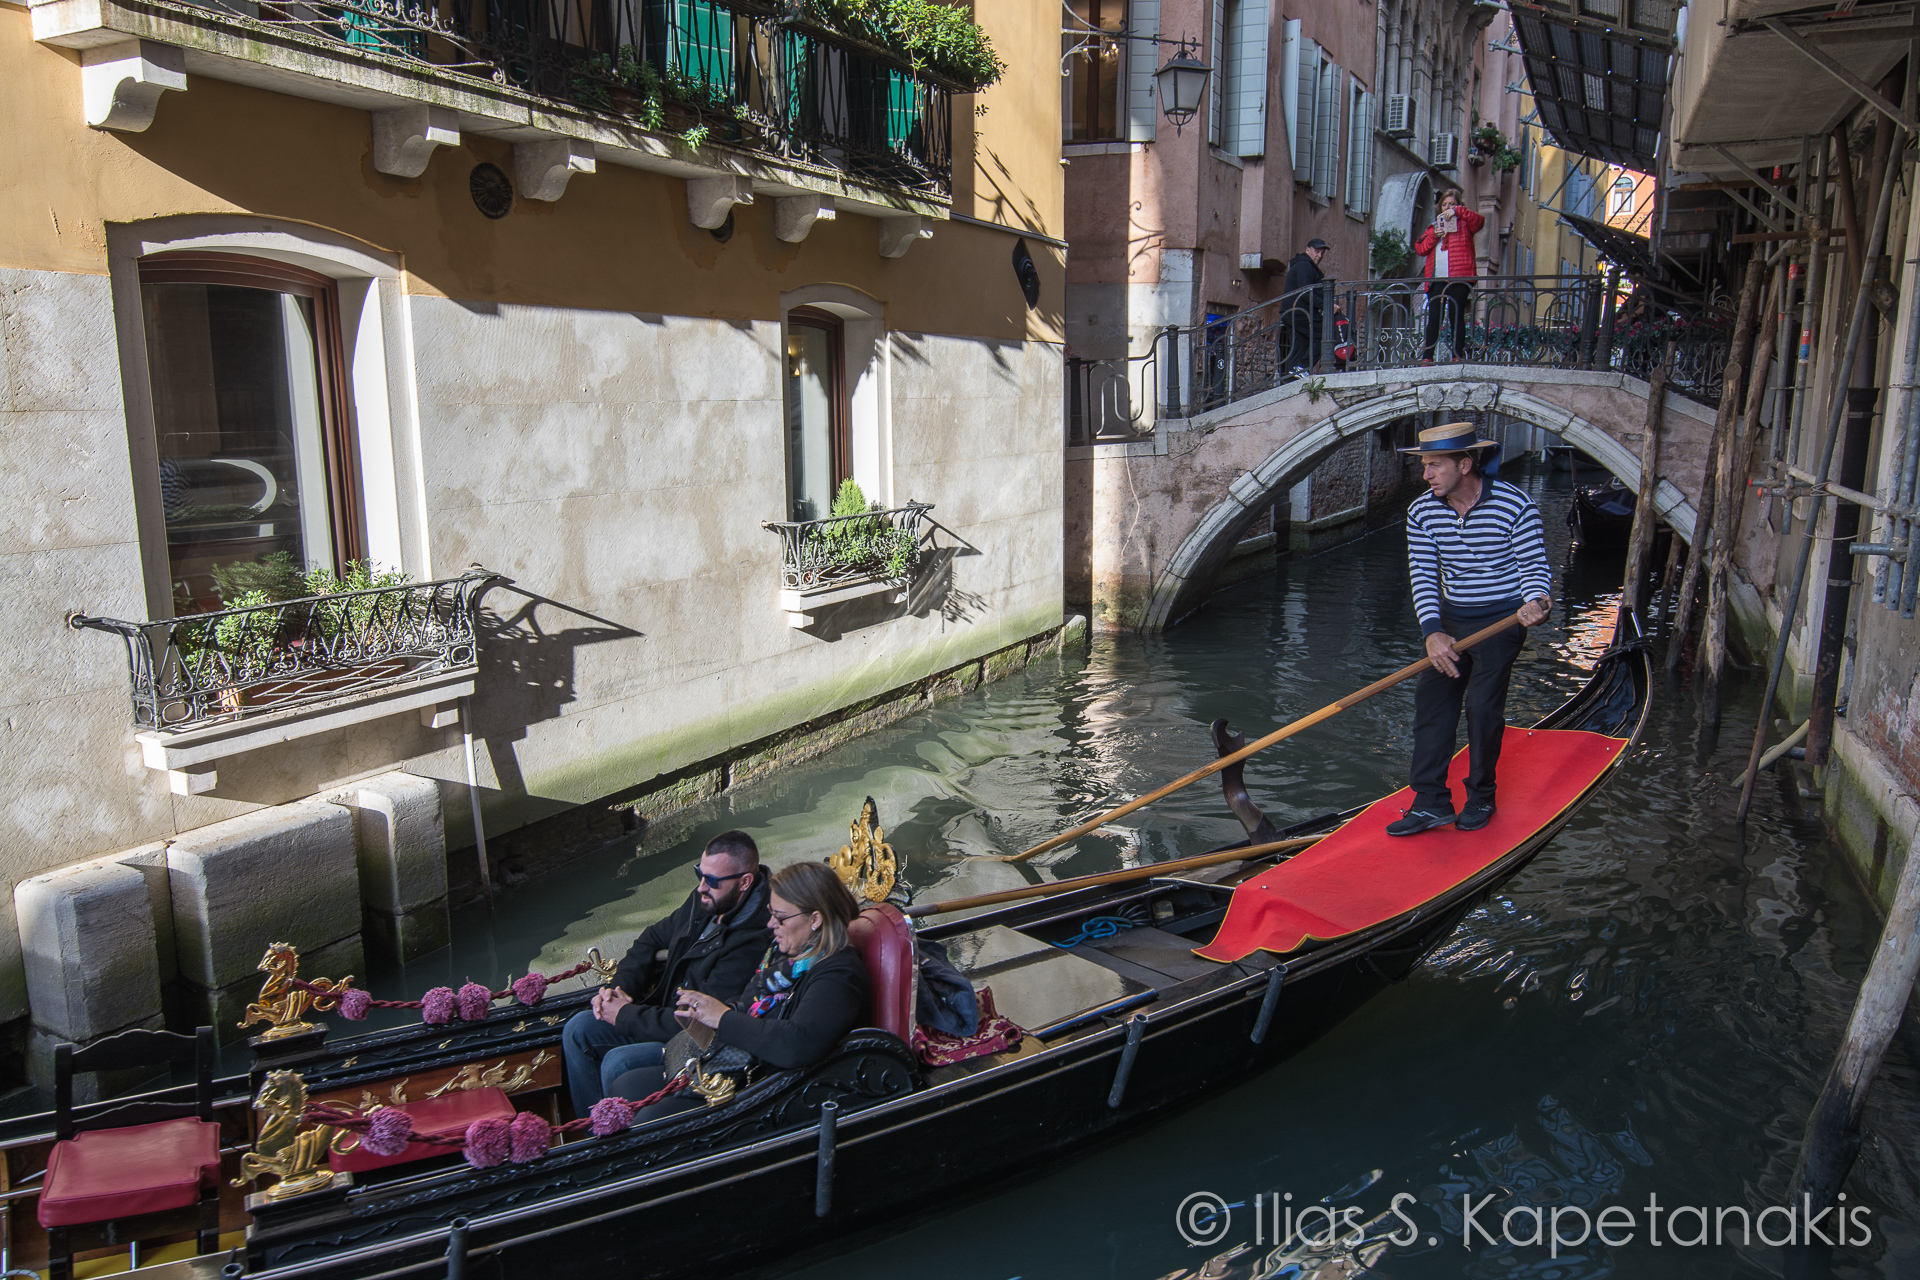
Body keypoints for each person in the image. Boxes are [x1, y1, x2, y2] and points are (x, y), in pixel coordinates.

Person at [1386, 422, 1553, 837]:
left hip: (1503, 619)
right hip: (1450, 618)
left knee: (1481, 708)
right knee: (1431, 704)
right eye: (1424, 465)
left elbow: (1533, 568)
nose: (1426, 475)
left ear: (1464, 465)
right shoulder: (1422, 511)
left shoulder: (1516, 505)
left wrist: (1536, 601)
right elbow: (1423, 575)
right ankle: (1430, 803)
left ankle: (1481, 796)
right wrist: (1432, 632)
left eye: (1435, 465)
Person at [608, 860, 871, 1120]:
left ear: (815, 919)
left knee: (643, 1110)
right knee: (626, 1083)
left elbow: (797, 1043)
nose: (770, 924)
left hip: (772, 1091)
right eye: (771, 913)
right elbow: (749, 1004)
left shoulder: (839, 974)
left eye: (780, 918)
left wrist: (722, 1017)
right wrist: (706, 1011)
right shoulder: (787, 958)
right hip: (743, 1068)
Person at [562, 831, 771, 1115]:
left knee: (617, 1062)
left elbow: (700, 1022)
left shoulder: (752, 939)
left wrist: (625, 1015)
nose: (701, 887)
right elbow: (651, 939)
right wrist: (619, 990)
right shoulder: (705, 900)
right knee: (578, 1028)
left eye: (711, 881)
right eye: (699, 874)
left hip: (691, 1040)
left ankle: (618, 1132)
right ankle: (591, 1125)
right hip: (660, 1013)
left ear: (744, 882)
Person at [1413, 191, 1484, 363]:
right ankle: (1427, 357)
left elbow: (1479, 222)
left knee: (1456, 317)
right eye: (1445, 204)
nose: (1447, 207)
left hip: (1459, 278)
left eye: (1452, 204)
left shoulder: (1465, 224)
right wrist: (1434, 236)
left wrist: (1458, 212)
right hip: (1437, 279)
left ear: (1458, 205)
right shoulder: (1433, 227)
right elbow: (1420, 248)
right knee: (1434, 318)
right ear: (1440, 208)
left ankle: (1457, 356)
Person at [1281, 238, 1330, 373]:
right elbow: (1306, 292)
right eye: (1317, 251)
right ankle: (1302, 367)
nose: (1319, 256)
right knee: (1325, 335)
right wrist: (1327, 305)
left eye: (1322, 253)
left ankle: (1292, 378)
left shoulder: (1303, 265)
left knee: (1298, 347)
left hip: (1292, 312)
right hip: (1300, 313)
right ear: (1307, 250)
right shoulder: (1305, 266)